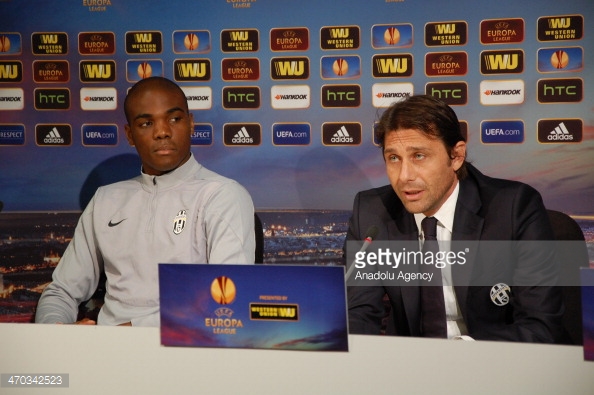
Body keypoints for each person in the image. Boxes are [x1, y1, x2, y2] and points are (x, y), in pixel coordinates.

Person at [35, 77, 255, 327]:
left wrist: (131, 331)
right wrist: (57, 335)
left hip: (186, 352)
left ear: (191, 123)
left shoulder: (222, 194)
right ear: (130, 134)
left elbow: (226, 298)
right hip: (105, 354)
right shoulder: (106, 199)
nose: (162, 132)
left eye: (174, 119)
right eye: (146, 122)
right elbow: (61, 291)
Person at [345, 95, 564, 342]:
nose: (404, 175)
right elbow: (358, 314)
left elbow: (541, 325)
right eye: (393, 158)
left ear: (456, 156)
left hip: (494, 362)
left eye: (419, 156)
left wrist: (458, 357)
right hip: (408, 366)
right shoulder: (372, 212)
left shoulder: (513, 208)